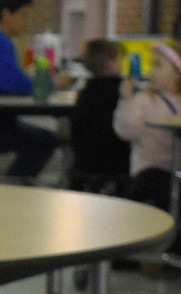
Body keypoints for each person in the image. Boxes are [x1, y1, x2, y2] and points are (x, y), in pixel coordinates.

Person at [0, 0, 58, 180]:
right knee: (44, 141)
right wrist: (48, 85)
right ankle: (11, 187)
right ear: (6, 15)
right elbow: (13, 83)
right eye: (23, 15)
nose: (26, 22)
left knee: (43, 139)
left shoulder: (1, 42)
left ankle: (14, 184)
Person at [112, 41, 181, 212]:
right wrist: (126, 100)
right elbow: (126, 131)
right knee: (162, 188)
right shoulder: (144, 100)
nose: (152, 71)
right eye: (152, 65)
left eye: (158, 65)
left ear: (177, 72)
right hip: (151, 168)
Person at [68, 39, 130, 192]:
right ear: (111, 62)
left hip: (84, 161)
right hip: (117, 160)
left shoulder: (85, 93)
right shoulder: (122, 91)